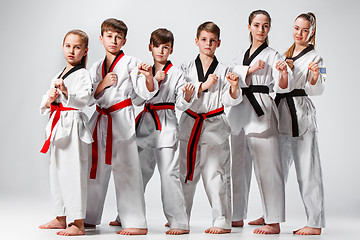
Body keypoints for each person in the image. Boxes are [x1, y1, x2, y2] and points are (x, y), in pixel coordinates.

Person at [85, 18, 158, 235]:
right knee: (94, 168)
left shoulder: (132, 63)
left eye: (118, 37)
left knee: (127, 169)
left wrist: (148, 77)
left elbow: (143, 95)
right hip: (100, 119)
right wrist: (103, 84)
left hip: (121, 119)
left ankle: (135, 222)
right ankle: (88, 216)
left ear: (124, 40)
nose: (114, 41)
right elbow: (88, 98)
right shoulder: (96, 67)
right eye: (109, 36)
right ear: (101, 38)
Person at [229, 10, 293, 234]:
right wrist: (248, 69)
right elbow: (232, 74)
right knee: (238, 167)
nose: (261, 30)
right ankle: (237, 216)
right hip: (239, 112)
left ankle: (273, 220)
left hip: (261, 109)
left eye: (265, 26)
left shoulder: (275, 56)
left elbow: (283, 85)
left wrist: (284, 73)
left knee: (268, 168)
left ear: (269, 29)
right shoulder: (240, 55)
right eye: (257, 25)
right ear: (249, 27)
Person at [178, 21, 242, 234]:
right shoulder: (185, 67)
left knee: (216, 173)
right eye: (204, 40)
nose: (208, 44)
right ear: (196, 41)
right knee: (186, 173)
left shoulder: (225, 70)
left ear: (218, 43)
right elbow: (180, 98)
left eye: (212, 41)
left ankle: (222, 220)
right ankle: (180, 218)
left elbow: (230, 100)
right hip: (190, 123)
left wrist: (233, 88)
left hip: (215, 125)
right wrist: (198, 88)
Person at [133, 28, 195, 235]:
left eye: (166, 47)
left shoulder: (177, 74)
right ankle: (129, 215)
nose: (161, 51)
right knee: (139, 173)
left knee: (169, 174)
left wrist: (186, 97)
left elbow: (180, 105)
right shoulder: (142, 70)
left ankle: (179, 222)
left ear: (171, 50)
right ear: (150, 47)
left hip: (166, 124)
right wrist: (151, 79)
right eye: (157, 46)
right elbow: (136, 99)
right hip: (145, 125)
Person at [275, 12, 326, 235]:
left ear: (311, 32)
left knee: (308, 169)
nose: (300, 33)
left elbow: (318, 88)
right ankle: (272, 215)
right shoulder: (285, 54)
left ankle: (314, 223)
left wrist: (314, 78)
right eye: (297, 28)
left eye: (305, 30)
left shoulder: (316, 59)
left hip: (302, 117)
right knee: (276, 169)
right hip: (281, 113)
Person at [38, 29, 92, 236]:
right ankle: (61, 217)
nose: (72, 51)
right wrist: (50, 98)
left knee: (73, 173)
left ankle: (77, 222)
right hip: (58, 125)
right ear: (63, 47)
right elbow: (46, 102)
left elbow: (85, 99)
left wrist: (67, 92)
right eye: (68, 46)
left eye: (77, 47)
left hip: (73, 127)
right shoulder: (58, 74)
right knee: (57, 171)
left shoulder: (83, 74)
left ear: (85, 51)